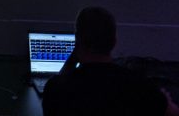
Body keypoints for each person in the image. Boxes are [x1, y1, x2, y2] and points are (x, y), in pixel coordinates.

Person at [42, 6, 179, 116]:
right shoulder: (139, 86)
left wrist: (73, 57)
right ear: (114, 42)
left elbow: (58, 85)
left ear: (77, 40)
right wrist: (164, 101)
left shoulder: (55, 89)